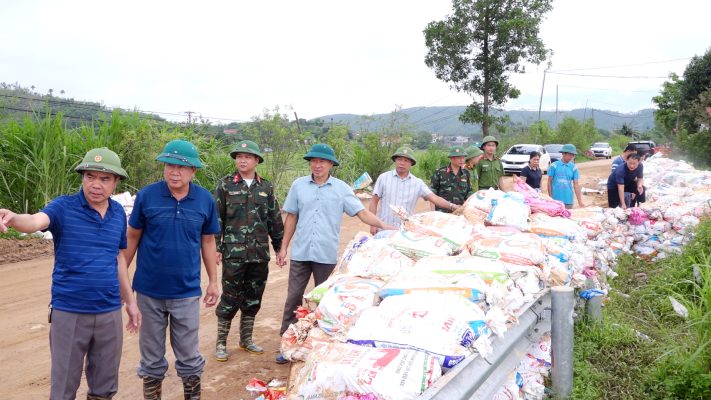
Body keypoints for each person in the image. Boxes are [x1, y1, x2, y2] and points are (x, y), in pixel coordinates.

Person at [0, 148, 140, 400]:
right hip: (70, 311)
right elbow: (34, 221)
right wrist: (12, 218)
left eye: (104, 178)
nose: (95, 184)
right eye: (89, 176)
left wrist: (130, 302)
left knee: (105, 385)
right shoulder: (63, 207)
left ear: (116, 181)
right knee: (64, 386)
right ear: (82, 177)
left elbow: (118, 258)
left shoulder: (119, 213)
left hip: (108, 310)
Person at [275, 143, 395, 363]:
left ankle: (319, 343)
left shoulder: (341, 189)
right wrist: (283, 247)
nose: (317, 165)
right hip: (301, 252)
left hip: (326, 254)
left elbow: (361, 213)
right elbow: (291, 217)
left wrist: (384, 226)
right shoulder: (298, 186)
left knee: (325, 301)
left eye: (322, 161)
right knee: (293, 298)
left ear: (331, 164)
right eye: (313, 161)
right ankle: (286, 341)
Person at [125, 139, 220, 400]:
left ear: (193, 172)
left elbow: (208, 241)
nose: (174, 172)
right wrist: (121, 278)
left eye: (181, 167)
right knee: (151, 358)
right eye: (169, 165)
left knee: (189, 356)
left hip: (186, 291)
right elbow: (132, 236)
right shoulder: (147, 196)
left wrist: (213, 280)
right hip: (148, 291)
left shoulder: (204, 199)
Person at [213, 140, 284, 362]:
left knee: (254, 297)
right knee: (230, 296)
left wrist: (279, 248)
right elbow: (217, 218)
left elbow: (274, 219)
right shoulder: (225, 185)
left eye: (247, 156)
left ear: (256, 160)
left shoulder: (266, 187)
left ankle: (246, 339)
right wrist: (216, 247)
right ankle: (221, 343)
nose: (242, 160)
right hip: (233, 253)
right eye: (239, 156)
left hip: (259, 253)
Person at [369, 146, 461, 234]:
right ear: (395, 161)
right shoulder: (383, 178)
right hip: (384, 229)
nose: (402, 163)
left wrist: (452, 206)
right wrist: (373, 224)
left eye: (406, 160)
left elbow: (434, 198)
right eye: (399, 159)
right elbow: (374, 202)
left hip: (405, 231)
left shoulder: (417, 183)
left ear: (411, 163)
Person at [430, 146, 472, 212]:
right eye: (459, 157)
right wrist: (432, 212)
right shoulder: (440, 172)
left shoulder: (466, 173)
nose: (462, 160)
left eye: (463, 157)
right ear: (451, 158)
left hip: (460, 212)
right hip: (442, 212)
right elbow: (432, 194)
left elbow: (469, 192)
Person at [547, 144, 586, 209]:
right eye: (570, 154)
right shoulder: (554, 166)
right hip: (555, 199)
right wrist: (550, 197)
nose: (571, 156)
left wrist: (580, 201)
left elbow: (576, 184)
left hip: (568, 200)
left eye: (573, 155)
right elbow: (549, 182)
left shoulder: (574, 167)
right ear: (563, 153)